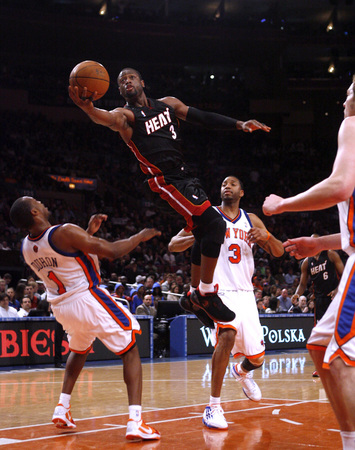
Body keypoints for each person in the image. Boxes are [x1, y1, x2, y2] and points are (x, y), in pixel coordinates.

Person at [69, 67, 270, 324]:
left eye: (130, 77)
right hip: (164, 181)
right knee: (216, 223)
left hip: (185, 176)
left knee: (204, 231)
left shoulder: (168, 105)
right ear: (118, 90)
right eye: (121, 81)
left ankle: (192, 297)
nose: (126, 82)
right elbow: (105, 118)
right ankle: (206, 294)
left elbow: (203, 117)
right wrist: (88, 109)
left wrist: (239, 124)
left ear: (142, 81)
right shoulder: (126, 116)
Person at [9, 196, 161, 442]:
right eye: (38, 201)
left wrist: (88, 232)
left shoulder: (26, 247)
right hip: (87, 298)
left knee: (79, 349)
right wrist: (139, 237)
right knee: (130, 348)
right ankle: (136, 421)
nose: (43, 202)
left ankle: (62, 407)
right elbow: (110, 251)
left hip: (62, 306)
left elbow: (68, 257)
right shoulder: (64, 231)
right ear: (35, 212)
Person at [262, 76, 355, 450]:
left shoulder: (353, 124)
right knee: (323, 348)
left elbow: (340, 186)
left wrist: (284, 203)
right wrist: (318, 242)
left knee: (330, 354)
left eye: (351, 90)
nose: (346, 97)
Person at [168, 175, 284, 429]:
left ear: (241, 192)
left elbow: (279, 252)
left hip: (245, 292)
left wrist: (266, 236)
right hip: (218, 290)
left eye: (232, 184)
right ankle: (213, 406)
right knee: (227, 336)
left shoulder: (250, 219)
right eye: (222, 183)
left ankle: (241, 372)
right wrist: (200, 235)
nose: (226, 186)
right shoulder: (208, 216)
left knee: (257, 359)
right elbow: (173, 245)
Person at [292, 234, 344, 323]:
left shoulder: (330, 254)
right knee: (322, 327)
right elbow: (302, 284)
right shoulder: (306, 262)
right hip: (319, 299)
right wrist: (297, 294)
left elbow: (344, 274)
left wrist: (337, 289)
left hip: (335, 296)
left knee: (339, 325)